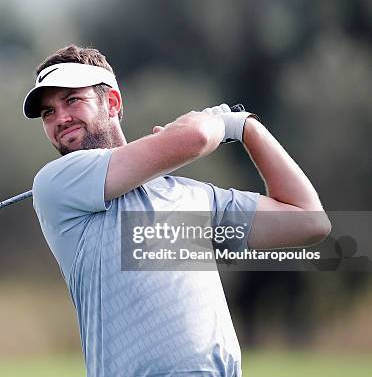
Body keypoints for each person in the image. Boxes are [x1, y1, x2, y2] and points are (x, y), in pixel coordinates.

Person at [23, 44, 330, 376]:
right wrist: (214, 122)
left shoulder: (192, 198)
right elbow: (196, 137)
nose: (60, 119)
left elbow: (308, 220)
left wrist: (245, 127)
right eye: (48, 112)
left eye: (72, 100)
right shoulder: (57, 185)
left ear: (111, 102)